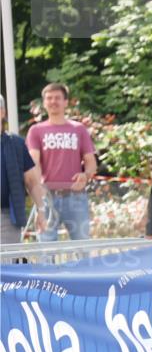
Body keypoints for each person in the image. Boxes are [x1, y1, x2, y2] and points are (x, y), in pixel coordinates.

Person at [25, 83, 97, 240]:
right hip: (47, 197)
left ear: (66, 102)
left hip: (75, 197)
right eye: (49, 98)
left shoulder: (79, 129)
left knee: (82, 249)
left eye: (57, 98)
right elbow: (34, 163)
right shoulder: (36, 131)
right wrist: (37, 190)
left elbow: (91, 162)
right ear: (44, 103)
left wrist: (85, 175)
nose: (53, 101)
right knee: (46, 252)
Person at [1, 95, 48, 245]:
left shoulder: (16, 144)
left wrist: (40, 210)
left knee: (7, 266)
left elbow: (32, 181)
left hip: (7, 216)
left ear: (2, 112)